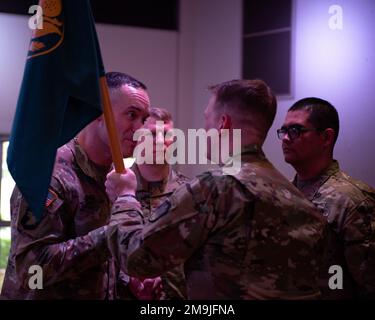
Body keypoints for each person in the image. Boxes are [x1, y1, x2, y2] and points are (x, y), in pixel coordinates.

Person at [105, 79, 328, 299]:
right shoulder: (301, 201)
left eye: (206, 119)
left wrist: (124, 196)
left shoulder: (216, 189)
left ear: (223, 124)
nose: (203, 130)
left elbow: (136, 258)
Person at [1, 71, 150, 299]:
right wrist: (111, 235)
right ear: (101, 114)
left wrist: (128, 280)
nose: (141, 129)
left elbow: (99, 263)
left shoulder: (116, 178)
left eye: (144, 119)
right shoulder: (50, 175)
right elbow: (31, 272)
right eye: (132, 115)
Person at [278, 97, 375, 299]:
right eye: (284, 131)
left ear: (326, 138)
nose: (286, 138)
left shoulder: (352, 200)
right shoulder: (283, 193)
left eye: (295, 130)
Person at [129, 107, 189, 299]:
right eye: (153, 134)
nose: (161, 141)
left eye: (167, 134)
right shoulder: (117, 187)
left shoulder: (189, 192)